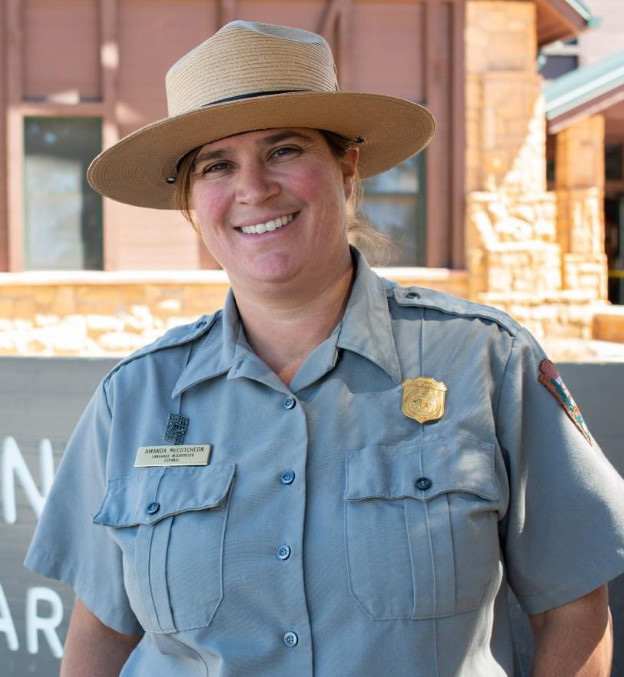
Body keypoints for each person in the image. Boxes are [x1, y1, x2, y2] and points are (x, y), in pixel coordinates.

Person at [25, 20, 624, 677]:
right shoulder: (134, 398)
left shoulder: (486, 362)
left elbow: (572, 610)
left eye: (284, 150)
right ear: (191, 200)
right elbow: (100, 637)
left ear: (347, 164)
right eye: (216, 165)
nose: (253, 188)